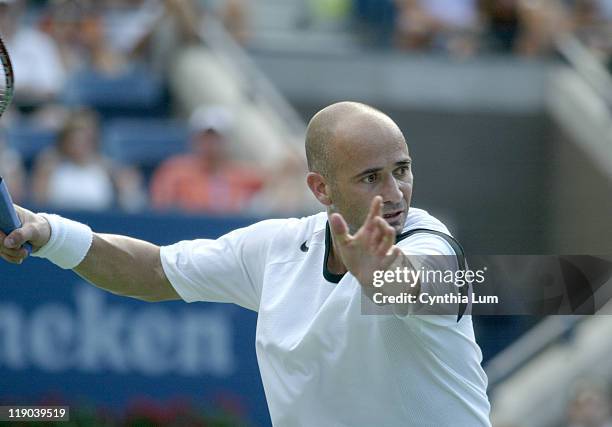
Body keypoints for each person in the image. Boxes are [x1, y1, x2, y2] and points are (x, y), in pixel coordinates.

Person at [0, 102, 491, 426]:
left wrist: (379, 275)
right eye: (370, 177)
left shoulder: (432, 241)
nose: (393, 194)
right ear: (321, 189)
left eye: (401, 171)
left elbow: (418, 287)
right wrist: (48, 232)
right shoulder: (275, 249)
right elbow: (152, 271)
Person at [150, 105, 264, 214]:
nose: (210, 143)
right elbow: (162, 207)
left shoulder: (246, 175)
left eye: (216, 138)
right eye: (205, 137)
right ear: (194, 139)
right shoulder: (174, 172)